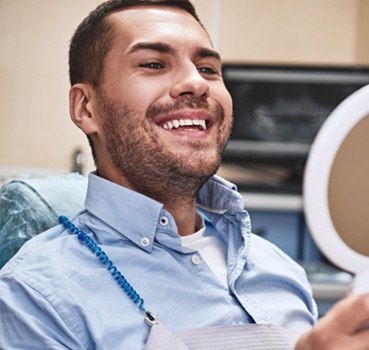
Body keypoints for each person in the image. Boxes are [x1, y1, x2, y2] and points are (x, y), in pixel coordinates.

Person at [0, 0, 369, 348]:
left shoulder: (280, 269)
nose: (196, 83)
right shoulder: (35, 297)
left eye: (208, 69)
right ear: (86, 107)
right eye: (154, 65)